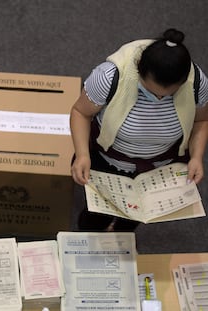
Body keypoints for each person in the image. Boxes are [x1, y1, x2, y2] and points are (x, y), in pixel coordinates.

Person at [70, 28, 208, 232]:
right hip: (108, 162)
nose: (159, 100)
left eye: (169, 94)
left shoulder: (196, 82)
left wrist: (196, 157)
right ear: (138, 72)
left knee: (133, 219)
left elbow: (200, 121)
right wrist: (82, 154)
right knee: (96, 217)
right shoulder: (109, 76)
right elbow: (80, 112)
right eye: (151, 92)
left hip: (158, 168)